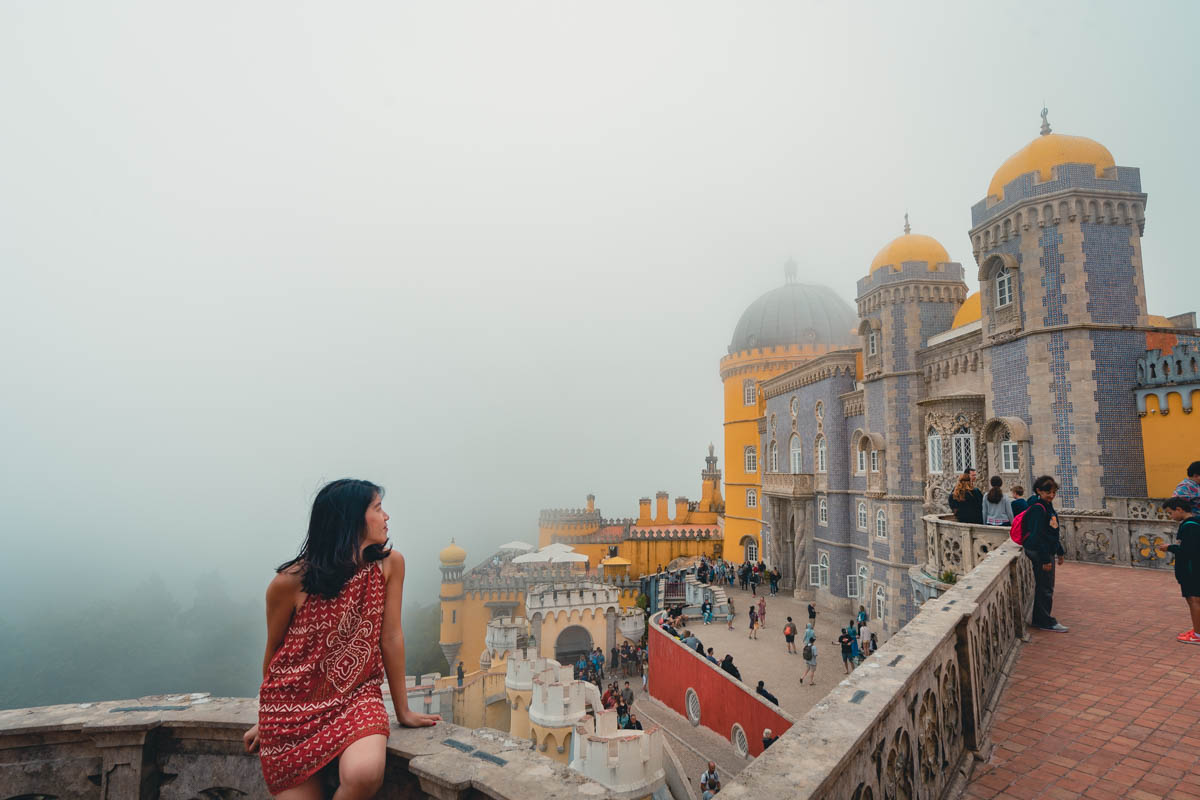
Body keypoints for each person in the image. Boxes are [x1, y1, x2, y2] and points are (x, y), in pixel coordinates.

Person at [243, 479, 440, 798]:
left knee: (363, 774)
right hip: (292, 709)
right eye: (378, 508)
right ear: (351, 520)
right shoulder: (288, 583)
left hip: (357, 697)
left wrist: (402, 710)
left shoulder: (389, 565)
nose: (386, 516)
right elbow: (275, 655)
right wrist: (266, 718)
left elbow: (391, 637)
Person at [1023, 475, 1068, 632]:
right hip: (1040, 553)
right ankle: (1044, 621)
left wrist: (1059, 551)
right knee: (1045, 587)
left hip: (1047, 551)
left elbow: (1052, 531)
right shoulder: (1038, 508)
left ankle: (1041, 618)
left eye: (1054, 492)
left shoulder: (1047, 505)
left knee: (1046, 586)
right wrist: (1045, 559)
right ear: (1039, 491)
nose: (1051, 495)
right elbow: (1038, 535)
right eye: (1048, 492)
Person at [1158, 497, 1200, 643]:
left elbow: (1189, 550)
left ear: (1179, 510)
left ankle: (1198, 635)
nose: (1170, 516)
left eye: (1170, 513)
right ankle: (1197, 629)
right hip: (1193, 568)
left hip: (1191, 569)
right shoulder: (1195, 522)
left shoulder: (1190, 526)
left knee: (1194, 600)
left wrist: (1169, 547)